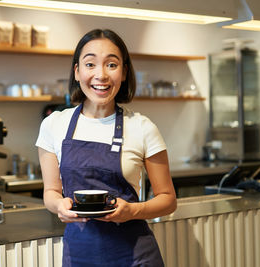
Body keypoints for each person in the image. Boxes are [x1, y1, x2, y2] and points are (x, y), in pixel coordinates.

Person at [36, 29, 177, 266]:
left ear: (123, 73)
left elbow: (168, 199)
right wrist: (59, 205)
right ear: (77, 71)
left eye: (111, 65)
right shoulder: (53, 124)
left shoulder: (142, 127)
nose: (100, 75)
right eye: (90, 64)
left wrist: (131, 211)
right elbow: (51, 192)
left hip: (135, 256)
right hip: (79, 255)